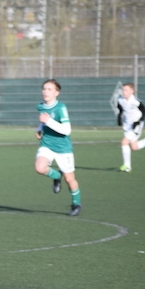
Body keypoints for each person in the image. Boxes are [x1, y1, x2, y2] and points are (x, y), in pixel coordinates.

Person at [35, 79, 81, 216]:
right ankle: (56, 176)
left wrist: (48, 121)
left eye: (49, 89)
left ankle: (76, 203)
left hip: (63, 148)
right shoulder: (40, 106)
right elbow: (43, 121)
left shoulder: (61, 108)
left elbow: (67, 130)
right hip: (47, 144)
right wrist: (40, 129)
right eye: (44, 89)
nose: (45, 92)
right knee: (40, 168)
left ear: (57, 93)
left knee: (70, 179)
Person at [116, 82, 145, 172]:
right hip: (127, 125)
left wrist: (138, 121)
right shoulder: (120, 100)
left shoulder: (135, 101)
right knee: (134, 147)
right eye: (123, 90)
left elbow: (144, 111)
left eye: (126, 90)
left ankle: (127, 165)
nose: (124, 92)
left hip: (136, 125)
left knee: (124, 142)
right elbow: (120, 109)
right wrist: (119, 118)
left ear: (132, 91)